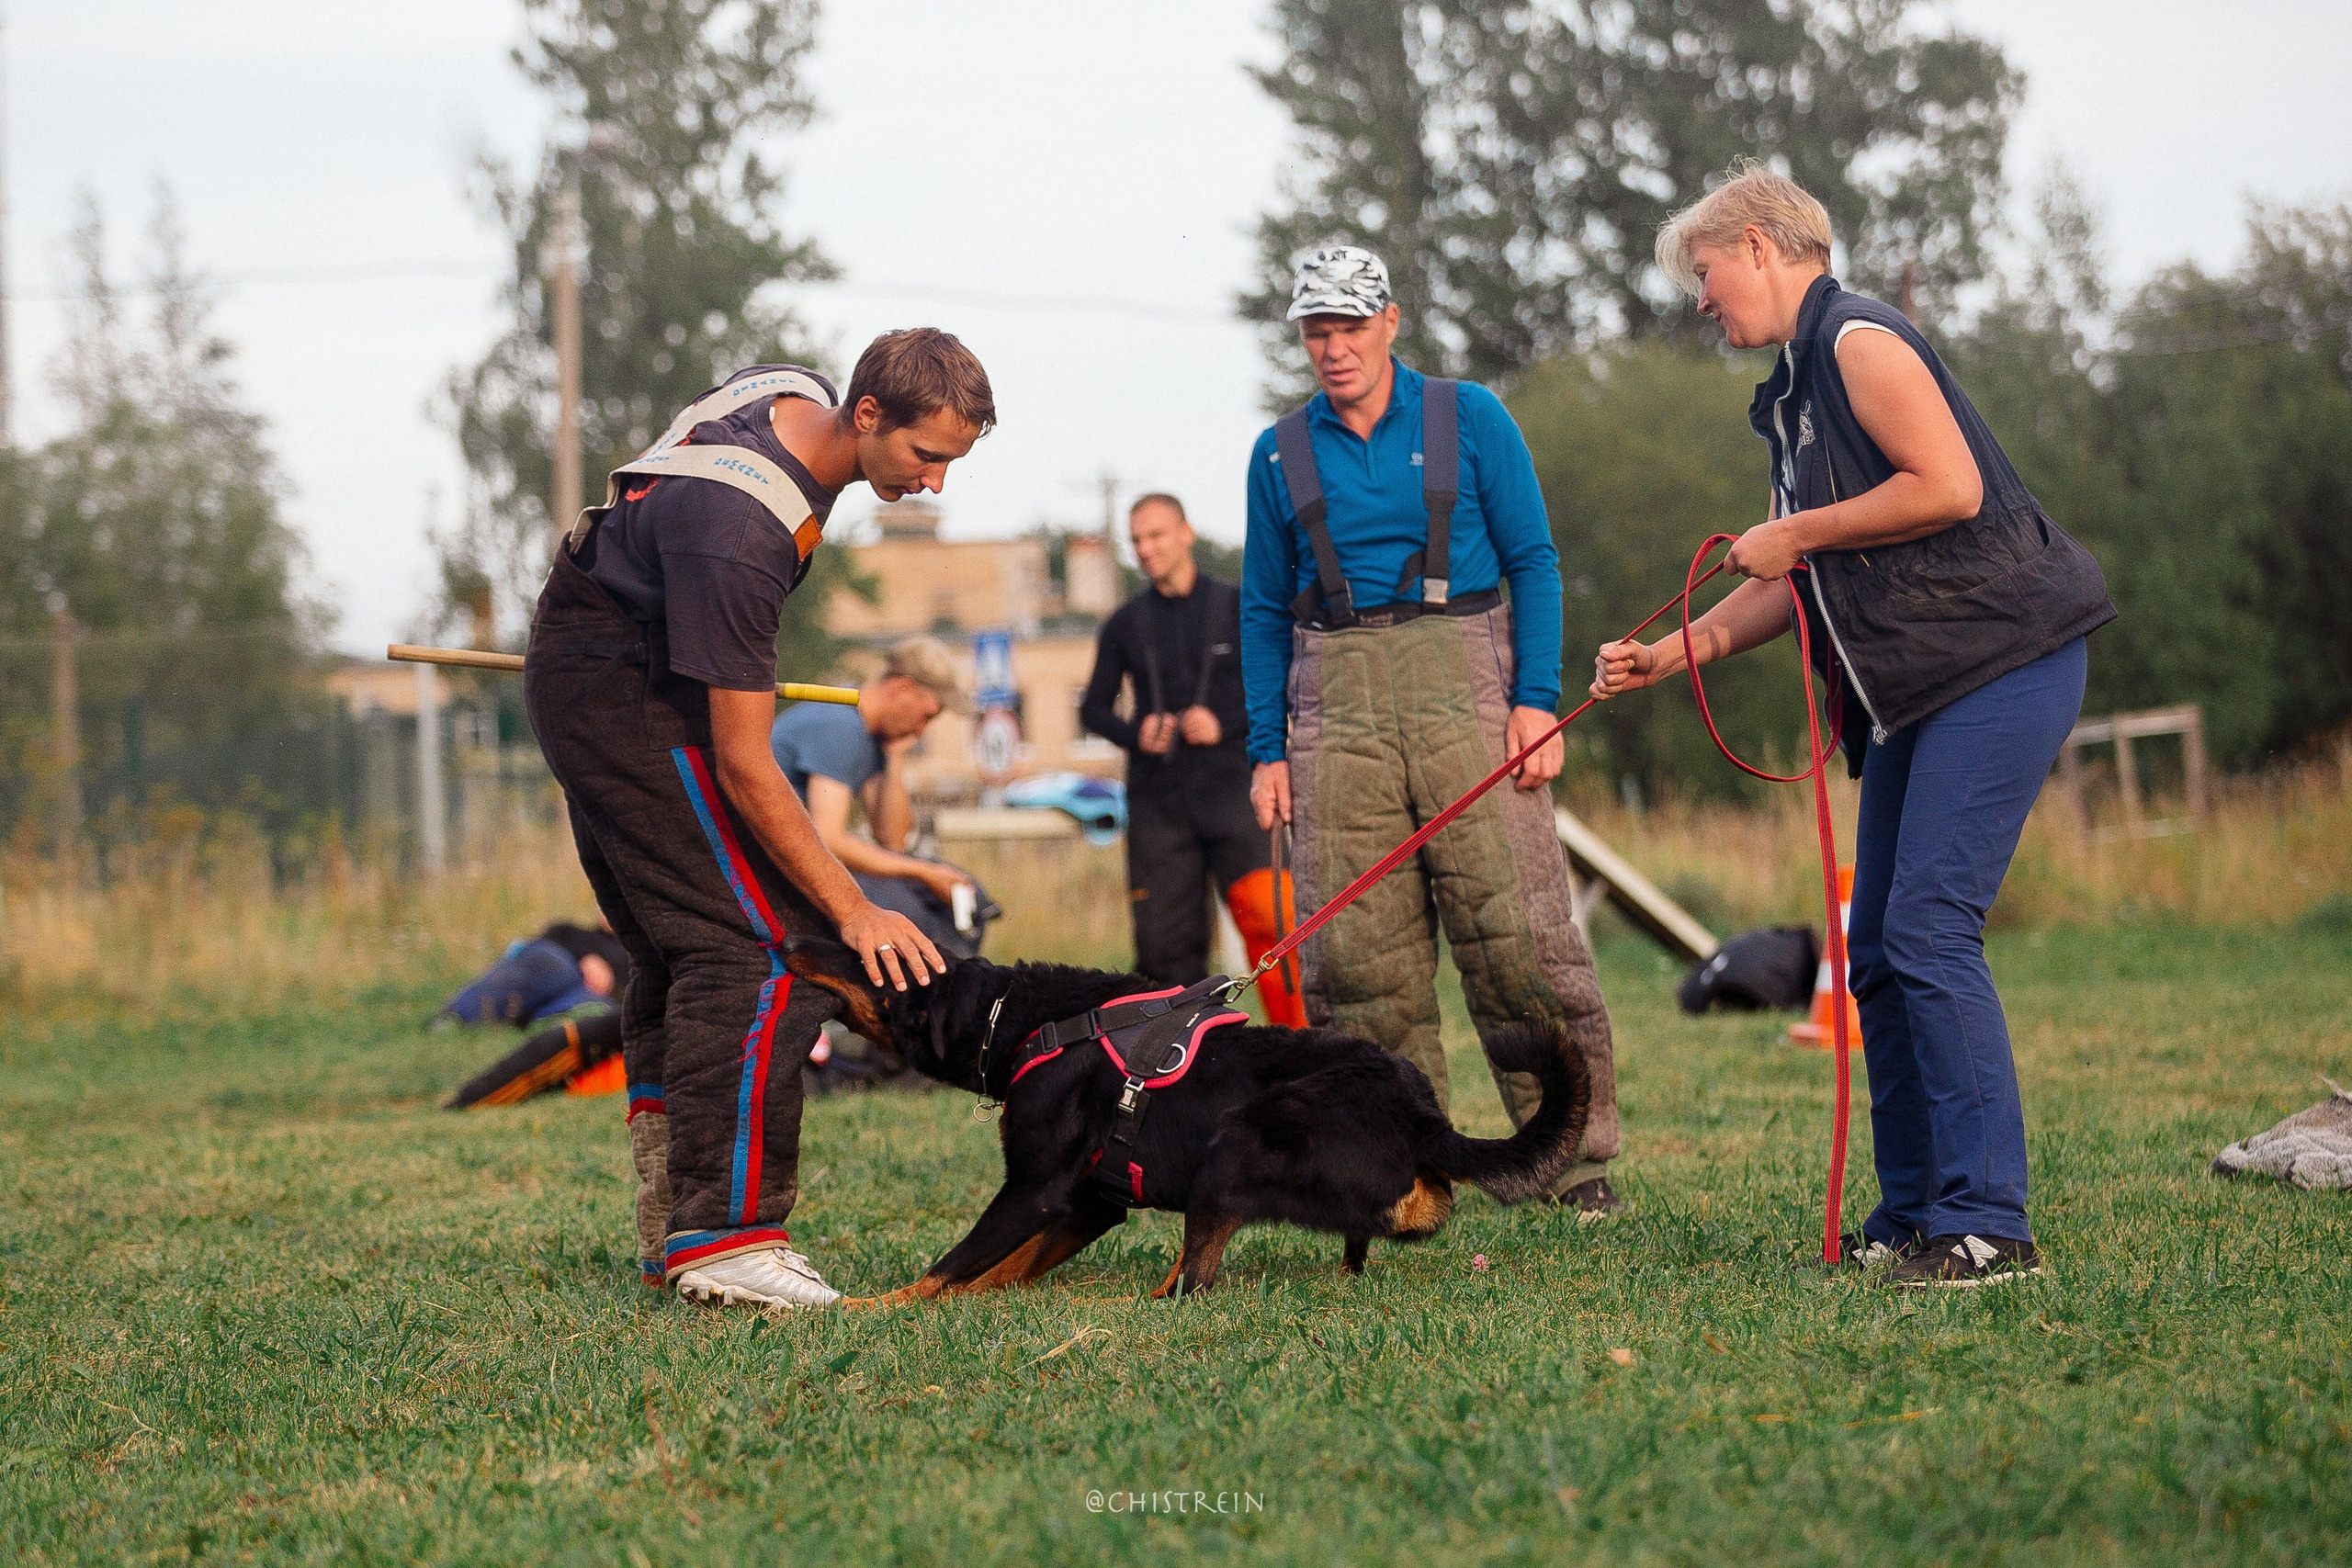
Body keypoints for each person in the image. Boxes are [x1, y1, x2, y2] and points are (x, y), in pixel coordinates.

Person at [1592, 162, 2115, 1286]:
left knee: (1927, 931)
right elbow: (1786, 579)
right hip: (1913, 693)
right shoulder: (1790, 392)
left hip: (2002, 663)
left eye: (1705, 270)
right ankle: (1916, 1215)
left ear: (1765, 247)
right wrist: (1665, 655)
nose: (1699, 299)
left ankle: (1990, 1227)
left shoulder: (1857, 341)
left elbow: (1950, 487)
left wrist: (1800, 529)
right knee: (1870, 949)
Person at [524, 329, 994, 1310]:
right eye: (926, 456)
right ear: (866, 415)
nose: (937, 482)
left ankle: (676, 1231)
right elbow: (746, 761)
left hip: (607, 664)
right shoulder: (740, 532)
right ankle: (728, 1237)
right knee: (770, 949)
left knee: (681, 950)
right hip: (625, 697)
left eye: (954, 460)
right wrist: (855, 909)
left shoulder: (786, 391)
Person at [1241, 245, 1624, 1215]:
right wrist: (1266, 748)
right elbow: (1257, 611)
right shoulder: (1277, 453)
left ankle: (1571, 1167)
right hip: (1336, 698)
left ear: (1390, 322)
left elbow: (1535, 561)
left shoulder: (1472, 418)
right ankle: (1403, 1172)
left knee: (1516, 936)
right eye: (1315, 331)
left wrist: (1535, 702)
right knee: (1359, 961)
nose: (1332, 348)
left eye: (1348, 327)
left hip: (1468, 685)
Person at [1080, 494, 1306, 1024]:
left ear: (1186, 533)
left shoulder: (1238, 605)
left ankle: (1300, 1048)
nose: (1146, 549)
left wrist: (1222, 723)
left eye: (1156, 535)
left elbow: (1285, 688)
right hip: (1160, 806)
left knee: (1276, 926)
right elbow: (1092, 709)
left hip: (1236, 795)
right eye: (1136, 540)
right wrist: (1137, 732)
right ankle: (1181, 1069)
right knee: (1165, 955)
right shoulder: (1124, 623)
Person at [770, 634, 993, 962]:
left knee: (962, 895)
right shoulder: (840, 724)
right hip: (767, 870)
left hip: (794, 863)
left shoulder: (868, 734)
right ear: (901, 689)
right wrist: (923, 873)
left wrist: (895, 758)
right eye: (926, 715)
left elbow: (892, 839)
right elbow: (828, 840)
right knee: (914, 917)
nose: (922, 730)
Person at [435, 921, 628, 1028]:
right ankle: (456, 1017)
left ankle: (537, 1025)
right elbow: (525, 949)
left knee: (595, 1007)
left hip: (587, 997)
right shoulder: (570, 931)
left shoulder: (636, 950)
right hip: (554, 970)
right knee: (550, 963)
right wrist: (585, 958)